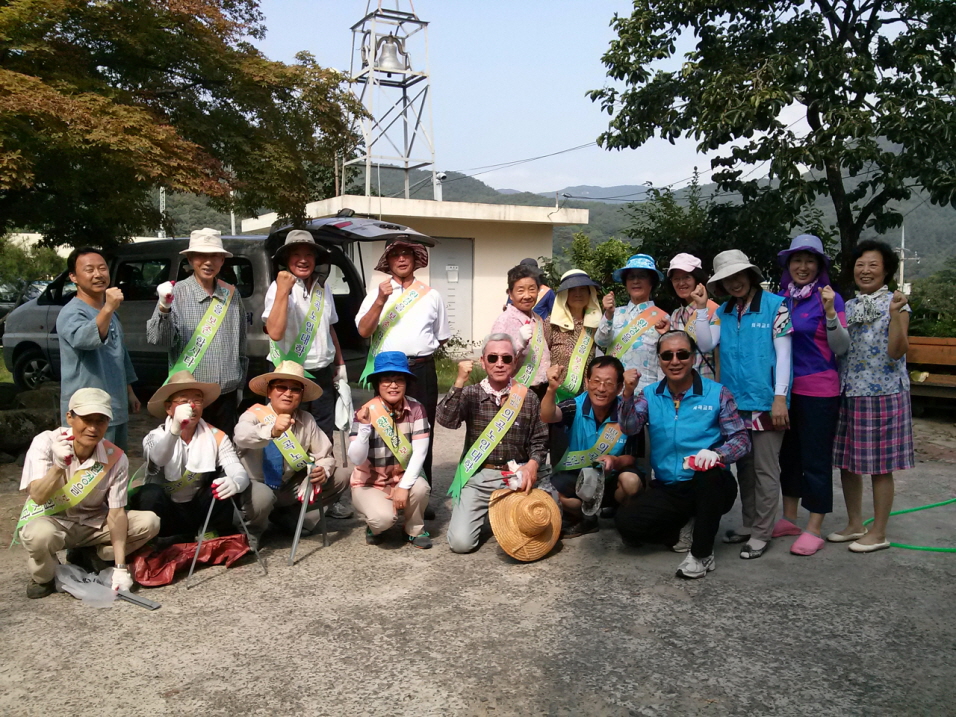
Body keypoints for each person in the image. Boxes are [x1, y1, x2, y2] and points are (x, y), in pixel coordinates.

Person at [614, 331, 750, 579]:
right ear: (659, 360)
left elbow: (741, 440)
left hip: (709, 484)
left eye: (682, 354)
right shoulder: (651, 394)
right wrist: (627, 395)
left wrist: (717, 454)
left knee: (709, 477)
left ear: (694, 357)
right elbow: (630, 427)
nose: (675, 361)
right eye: (667, 355)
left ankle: (701, 554)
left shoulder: (717, 393)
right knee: (626, 525)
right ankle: (687, 525)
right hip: (670, 487)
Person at [694, 250, 793, 560]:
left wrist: (780, 398)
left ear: (751, 275)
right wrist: (699, 309)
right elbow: (706, 343)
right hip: (735, 404)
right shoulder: (723, 311)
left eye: (739, 275)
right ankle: (750, 524)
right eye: (727, 278)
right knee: (745, 468)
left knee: (766, 469)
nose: (734, 282)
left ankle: (763, 532)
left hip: (766, 402)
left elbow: (785, 356)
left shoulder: (776, 306)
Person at [17, 388, 160, 598]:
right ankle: (43, 578)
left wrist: (120, 567)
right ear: (70, 418)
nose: (93, 428)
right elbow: (38, 496)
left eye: (100, 421)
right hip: (54, 521)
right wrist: (58, 466)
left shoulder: (116, 458)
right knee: (38, 536)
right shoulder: (45, 443)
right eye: (86, 419)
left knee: (149, 522)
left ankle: (90, 554)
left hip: (94, 523)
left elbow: (116, 513)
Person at [829, 240, 913, 552]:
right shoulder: (848, 306)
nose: (865, 270)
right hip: (850, 391)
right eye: (860, 265)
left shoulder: (898, 302)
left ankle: (878, 532)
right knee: (848, 463)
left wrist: (894, 315)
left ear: (887, 270)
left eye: (873, 265)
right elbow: (841, 348)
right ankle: (855, 524)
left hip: (883, 392)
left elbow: (897, 351)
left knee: (880, 465)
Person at [356, 238, 450, 516]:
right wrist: (381, 300)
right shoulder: (376, 292)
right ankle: (383, 492)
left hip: (420, 369)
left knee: (422, 431)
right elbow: (363, 331)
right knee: (384, 431)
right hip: (387, 372)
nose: (401, 259)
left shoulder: (431, 295)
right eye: (395, 254)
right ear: (388, 261)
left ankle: (421, 497)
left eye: (406, 253)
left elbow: (441, 336)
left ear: (415, 259)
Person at [438, 333, 550, 554]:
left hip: (516, 477)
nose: (500, 364)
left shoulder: (528, 397)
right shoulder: (470, 393)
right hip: (479, 475)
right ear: (483, 361)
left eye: (506, 359)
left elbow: (540, 440)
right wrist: (459, 381)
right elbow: (446, 420)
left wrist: (533, 465)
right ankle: (487, 511)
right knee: (461, 544)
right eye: (493, 358)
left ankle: (500, 512)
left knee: (536, 530)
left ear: (515, 362)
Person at [773, 235, 848, 556]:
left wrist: (831, 313)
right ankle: (789, 518)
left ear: (819, 266)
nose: (803, 267)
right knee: (787, 457)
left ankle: (814, 526)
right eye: (797, 261)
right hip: (785, 393)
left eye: (810, 261)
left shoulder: (831, 298)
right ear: (788, 266)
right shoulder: (779, 300)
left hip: (820, 391)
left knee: (815, 460)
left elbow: (842, 347)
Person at [131, 371, 260, 547]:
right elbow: (159, 458)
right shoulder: (155, 436)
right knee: (149, 494)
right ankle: (153, 544)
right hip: (165, 511)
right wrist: (175, 429)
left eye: (197, 400)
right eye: (184, 401)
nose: (192, 406)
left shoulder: (216, 436)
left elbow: (237, 470)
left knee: (222, 484)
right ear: (169, 408)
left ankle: (213, 536)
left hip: (197, 509)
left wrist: (236, 482)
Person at [147, 228, 247, 436]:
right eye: (202, 256)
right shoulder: (176, 293)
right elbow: (159, 340)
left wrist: (240, 386)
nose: (208, 262)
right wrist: (164, 307)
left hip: (227, 395)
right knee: (191, 459)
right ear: (191, 259)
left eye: (215, 256)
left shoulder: (231, 294)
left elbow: (240, 343)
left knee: (223, 455)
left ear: (222, 260)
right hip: (189, 398)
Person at [234, 361, 349, 541]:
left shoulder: (307, 419)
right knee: (262, 497)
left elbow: (325, 455)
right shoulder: (253, 414)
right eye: (281, 387)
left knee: (342, 473)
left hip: (288, 486)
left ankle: (295, 518)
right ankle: (251, 532)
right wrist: (271, 431)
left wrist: (321, 471)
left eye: (295, 389)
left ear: (301, 396)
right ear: (269, 392)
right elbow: (241, 436)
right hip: (257, 485)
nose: (288, 393)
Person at [540, 356, 641, 537]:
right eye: (596, 381)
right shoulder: (574, 406)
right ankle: (586, 518)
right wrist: (551, 389)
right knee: (550, 493)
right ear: (587, 382)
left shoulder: (627, 412)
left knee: (631, 482)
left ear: (619, 387)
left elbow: (632, 456)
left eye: (609, 384)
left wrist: (614, 460)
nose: (601, 389)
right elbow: (548, 415)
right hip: (580, 480)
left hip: (612, 479)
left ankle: (621, 514)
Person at [264, 229, 347, 443]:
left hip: (321, 373)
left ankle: (321, 474)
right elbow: (274, 332)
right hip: (289, 374)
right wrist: (283, 291)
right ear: (286, 259)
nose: (303, 260)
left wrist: (340, 364)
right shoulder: (277, 287)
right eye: (296, 255)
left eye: (309, 254)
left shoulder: (323, 287)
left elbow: (329, 327)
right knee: (289, 433)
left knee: (323, 432)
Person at [55, 247, 140, 451]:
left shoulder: (110, 314)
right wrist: (108, 308)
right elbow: (86, 340)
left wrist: (129, 391)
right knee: (88, 474)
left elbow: (120, 354)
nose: (98, 274)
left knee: (115, 468)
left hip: (114, 407)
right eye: (89, 269)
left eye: (102, 268)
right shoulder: (71, 313)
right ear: (74, 277)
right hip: (87, 413)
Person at [348, 352, 432, 548]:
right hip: (370, 483)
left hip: (402, 478)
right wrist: (364, 428)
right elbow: (356, 458)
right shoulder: (365, 411)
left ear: (406, 383)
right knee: (383, 520)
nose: (393, 386)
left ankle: (414, 529)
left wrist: (403, 487)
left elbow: (420, 452)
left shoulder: (417, 408)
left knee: (420, 488)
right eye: (386, 380)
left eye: (399, 380)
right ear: (377, 384)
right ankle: (374, 525)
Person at [595, 254, 669, 394]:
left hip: (646, 394)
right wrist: (608, 315)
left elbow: (665, 360)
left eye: (642, 276)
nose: (636, 281)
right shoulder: (614, 313)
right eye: (631, 277)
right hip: (613, 393)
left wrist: (661, 395)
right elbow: (601, 342)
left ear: (651, 282)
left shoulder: (663, 318)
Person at [490, 263, 551, 397]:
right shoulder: (504, 320)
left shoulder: (537, 318)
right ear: (510, 294)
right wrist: (519, 344)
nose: (527, 295)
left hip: (541, 388)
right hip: (517, 390)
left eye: (532, 289)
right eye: (520, 290)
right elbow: (495, 360)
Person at [543, 269, 602, 400]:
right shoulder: (551, 323)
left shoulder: (597, 324)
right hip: (558, 392)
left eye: (582, 289)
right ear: (564, 294)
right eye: (572, 289)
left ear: (590, 293)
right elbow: (541, 355)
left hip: (589, 393)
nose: (578, 294)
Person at [664, 253, 720, 380]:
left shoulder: (715, 310)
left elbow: (719, 357)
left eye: (687, 277)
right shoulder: (676, 315)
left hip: (707, 387)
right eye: (676, 279)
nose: (681, 283)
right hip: (680, 388)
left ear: (697, 279)